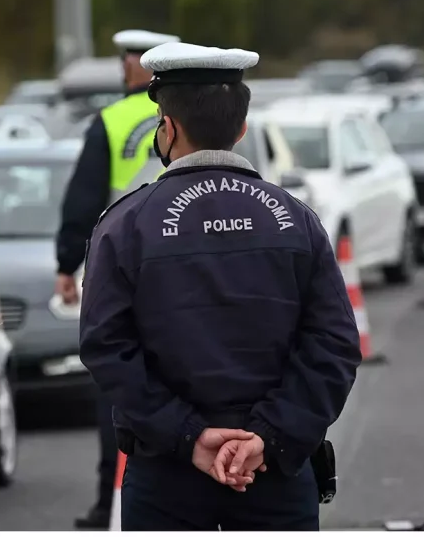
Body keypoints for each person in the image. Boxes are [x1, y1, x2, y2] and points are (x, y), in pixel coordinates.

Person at [78, 41, 362, 531]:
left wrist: (189, 436)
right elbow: (334, 345)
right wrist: (267, 438)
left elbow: (106, 348)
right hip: (275, 477)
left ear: (167, 128)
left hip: (166, 478)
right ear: (242, 128)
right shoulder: (298, 222)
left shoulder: (125, 226)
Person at [56, 29, 181, 530]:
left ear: (135, 66)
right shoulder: (205, 112)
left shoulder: (109, 121)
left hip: (127, 270)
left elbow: (84, 202)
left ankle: (116, 503)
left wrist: (68, 264)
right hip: (192, 268)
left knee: (121, 388)